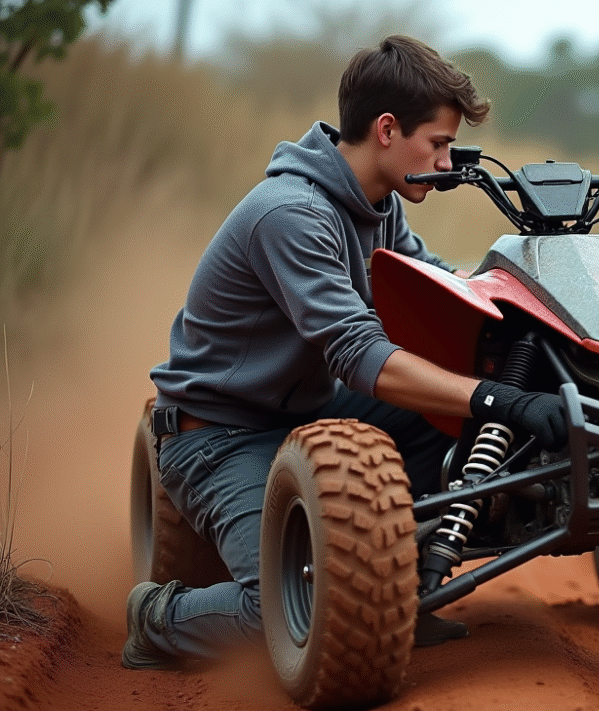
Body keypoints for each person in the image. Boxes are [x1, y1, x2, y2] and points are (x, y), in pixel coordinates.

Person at [123, 35, 567, 671]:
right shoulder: (291, 215)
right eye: (438, 144)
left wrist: (526, 303)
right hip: (221, 435)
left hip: (307, 413)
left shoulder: (377, 204)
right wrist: (499, 399)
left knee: (445, 416)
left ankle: (399, 588)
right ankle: (156, 618)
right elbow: (358, 354)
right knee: (285, 610)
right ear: (387, 130)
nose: (447, 164)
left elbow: (436, 287)